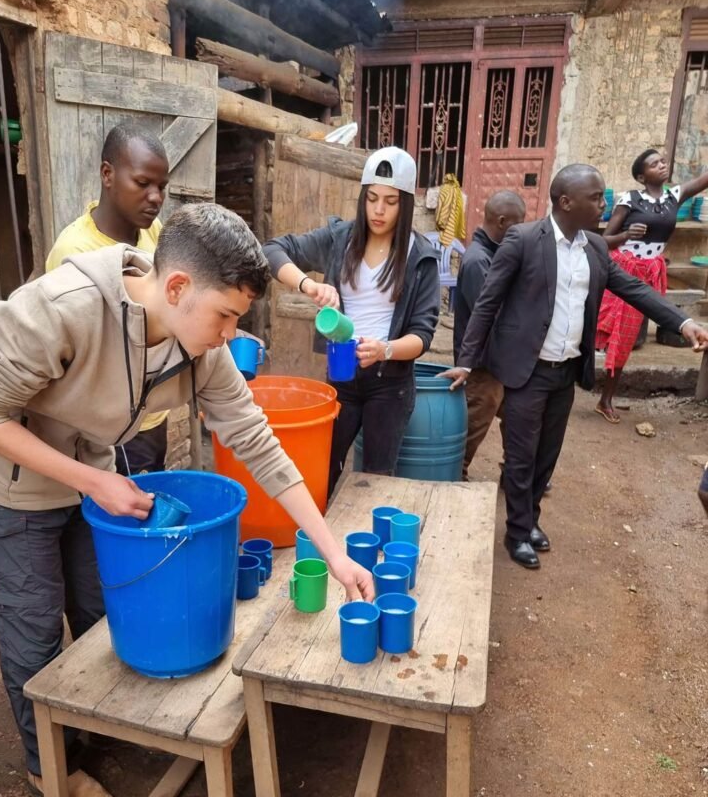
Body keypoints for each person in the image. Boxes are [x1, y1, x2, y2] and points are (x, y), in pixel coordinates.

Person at [0, 203, 374, 797]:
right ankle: (51, 769)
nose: (232, 333)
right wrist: (95, 482)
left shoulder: (199, 344)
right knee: (34, 622)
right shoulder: (61, 309)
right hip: (18, 479)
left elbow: (258, 443)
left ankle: (92, 730)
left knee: (98, 607)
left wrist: (330, 549)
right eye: (226, 316)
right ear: (177, 287)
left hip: (92, 467)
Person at [443, 164, 708, 570]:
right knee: (520, 456)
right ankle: (517, 533)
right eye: (596, 198)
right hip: (526, 370)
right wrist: (466, 362)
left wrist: (683, 321)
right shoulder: (524, 240)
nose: (604, 205)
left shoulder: (595, 248)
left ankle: (530, 520)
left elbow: (634, 289)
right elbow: (487, 304)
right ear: (565, 202)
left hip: (565, 371)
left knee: (546, 455)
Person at [262, 147, 440, 495]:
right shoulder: (341, 238)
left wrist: (385, 349)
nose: (378, 209)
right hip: (341, 373)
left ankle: (361, 545)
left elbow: (423, 335)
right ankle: (318, 542)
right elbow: (273, 250)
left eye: (390, 201)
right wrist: (308, 284)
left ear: (405, 204)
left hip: (390, 383)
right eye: (372, 198)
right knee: (324, 467)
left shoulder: (419, 257)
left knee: (374, 479)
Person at [46, 123, 172, 475]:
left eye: (161, 186)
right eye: (143, 183)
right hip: (110, 421)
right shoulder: (74, 251)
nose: (155, 197)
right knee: (125, 515)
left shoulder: (152, 232)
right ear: (107, 174)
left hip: (152, 411)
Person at [595, 149, 708, 423]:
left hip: (650, 272)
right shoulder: (629, 200)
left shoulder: (675, 195)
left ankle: (605, 398)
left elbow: (704, 180)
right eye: (654, 164)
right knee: (613, 332)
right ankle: (599, 394)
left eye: (662, 161)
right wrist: (626, 234)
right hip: (624, 269)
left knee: (628, 335)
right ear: (641, 176)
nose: (662, 165)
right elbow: (605, 239)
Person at [451, 190, 526, 480]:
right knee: (473, 426)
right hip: (483, 365)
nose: (521, 230)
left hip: (500, 362)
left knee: (517, 419)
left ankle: (515, 472)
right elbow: (491, 316)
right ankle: (454, 474)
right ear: (503, 221)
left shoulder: (491, 254)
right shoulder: (476, 261)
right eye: (518, 224)